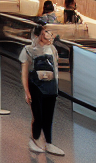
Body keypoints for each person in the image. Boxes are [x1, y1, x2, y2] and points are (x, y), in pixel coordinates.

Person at [21, 26, 66, 156]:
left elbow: (55, 68)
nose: (47, 36)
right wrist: (27, 91)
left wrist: (56, 87)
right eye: (44, 33)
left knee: (48, 116)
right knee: (38, 116)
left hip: (50, 86)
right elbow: (25, 72)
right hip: (35, 85)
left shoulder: (52, 49)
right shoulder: (28, 50)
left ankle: (49, 142)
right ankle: (34, 139)